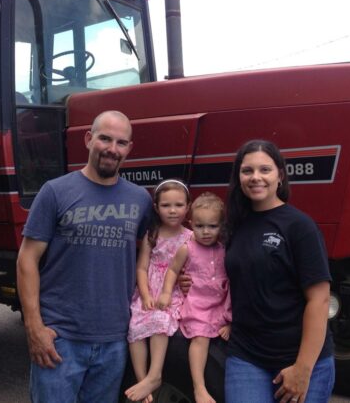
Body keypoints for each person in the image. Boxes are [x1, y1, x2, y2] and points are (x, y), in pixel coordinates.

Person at [16, 110, 152, 403]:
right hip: (60, 338)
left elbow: (153, 253)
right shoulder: (55, 192)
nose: (111, 149)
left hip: (115, 340)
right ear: (89, 140)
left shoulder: (140, 199)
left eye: (120, 142)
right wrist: (34, 327)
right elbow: (27, 260)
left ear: (129, 149)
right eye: (104, 138)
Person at [224, 139, 334, 403]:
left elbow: (319, 299)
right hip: (246, 356)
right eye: (247, 170)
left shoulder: (299, 226)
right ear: (238, 176)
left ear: (280, 176)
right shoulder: (236, 224)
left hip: (300, 358)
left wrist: (303, 368)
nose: (255, 177)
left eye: (265, 170)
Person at [158, 192, 231, 403]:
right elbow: (172, 270)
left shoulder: (224, 249)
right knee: (201, 339)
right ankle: (199, 387)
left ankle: (229, 324)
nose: (206, 232)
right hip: (198, 304)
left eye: (212, 226)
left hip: (220, 303)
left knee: (227, 327)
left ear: (221, 226)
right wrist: (165, 292)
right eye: (200, 226)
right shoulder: (187, 248)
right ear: (191, 224)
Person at [125, 179, 193, 403]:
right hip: (150, 289)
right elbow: (142, 267)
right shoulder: (152, 234)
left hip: (171, 292)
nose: (172, 211)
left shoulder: (190, 237)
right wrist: (144, 295)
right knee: (135, 326)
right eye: (166, 205)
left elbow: (194, 268)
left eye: (178, 205)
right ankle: (142, 378)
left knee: (160, 321)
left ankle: (155, 375)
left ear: (187, 206)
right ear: (156, 207)